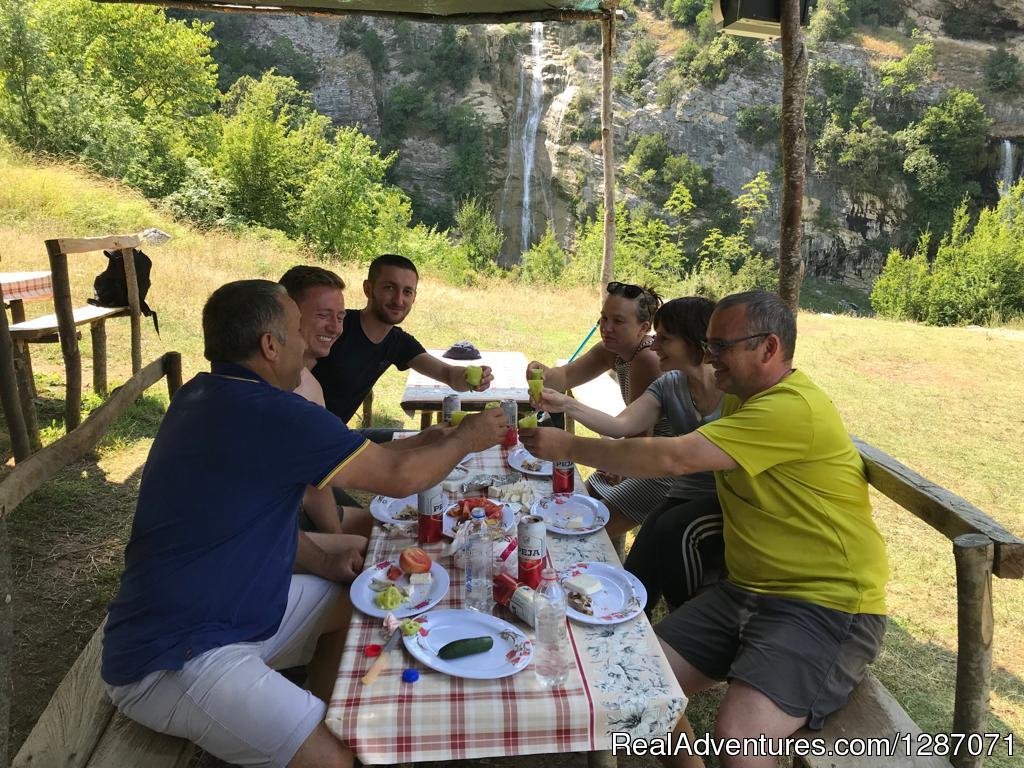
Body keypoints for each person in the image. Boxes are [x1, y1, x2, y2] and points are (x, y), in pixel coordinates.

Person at [101, 280, 507, 768]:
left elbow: (237, 521)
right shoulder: (274, 413)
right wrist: (469, 437)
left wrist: (320, 556)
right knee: (335, 761)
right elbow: (398, 479)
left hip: (237, 608)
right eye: (297, 329)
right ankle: (314, 732)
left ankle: (331, 708)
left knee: (358, 602)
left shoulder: (205, 394)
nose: (307, 341)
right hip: (176, 654)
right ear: (270, 346)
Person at [522, 290, 888, 768]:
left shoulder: (790, 408)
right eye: (708, 344)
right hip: (747, 592)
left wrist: (569, 447)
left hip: (826, 605)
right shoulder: (741, 400)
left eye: (721, 346)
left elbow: (672, 457)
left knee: (738, 739)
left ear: (769, 347)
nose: (709, 356)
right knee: (636, 679)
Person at [533, 297, 724, 612]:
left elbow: (666, 454)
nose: (655, 345)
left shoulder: (732, 391)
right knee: (636, 575)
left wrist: (569, 445)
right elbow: (621, 424)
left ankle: (680, 624)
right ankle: (631, 628)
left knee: (672, 544)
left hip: (712, 502)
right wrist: (567, 404)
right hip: (679, 493)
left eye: (665, 338)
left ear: (694, 341)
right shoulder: (669, 384)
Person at [526, 281, 671, 536]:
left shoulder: (646, 359)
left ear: (644, 328)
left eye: (618, 321)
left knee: (588, 528)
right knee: (573, 501)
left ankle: (608, 570)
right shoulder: (611, 351)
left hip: (661, 466)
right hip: (634, 449)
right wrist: (541, 372)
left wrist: (619, 467)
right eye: (603, 318)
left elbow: (641, 435)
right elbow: (565, 376)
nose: (607, 328)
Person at [312, 254, 494, 439]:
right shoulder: (336, 328)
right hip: (309, 441)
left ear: (414, 298)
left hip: (335, 436)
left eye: (407, 292)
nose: (398, 300)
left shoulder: (397, 342)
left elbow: (447, 374)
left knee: (431, 440)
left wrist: (470, 378)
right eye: (389, 288)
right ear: (368, 288)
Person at [279, 265, 373, 539]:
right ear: (289, 315)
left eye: (340, 317)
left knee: (389, 530)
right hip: (283, 524)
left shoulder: (310, 381)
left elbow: (321, 475)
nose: (334, 328)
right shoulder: (279, 388)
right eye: (323, 316)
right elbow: (313, 488)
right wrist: (338, 540)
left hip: (305, 501)